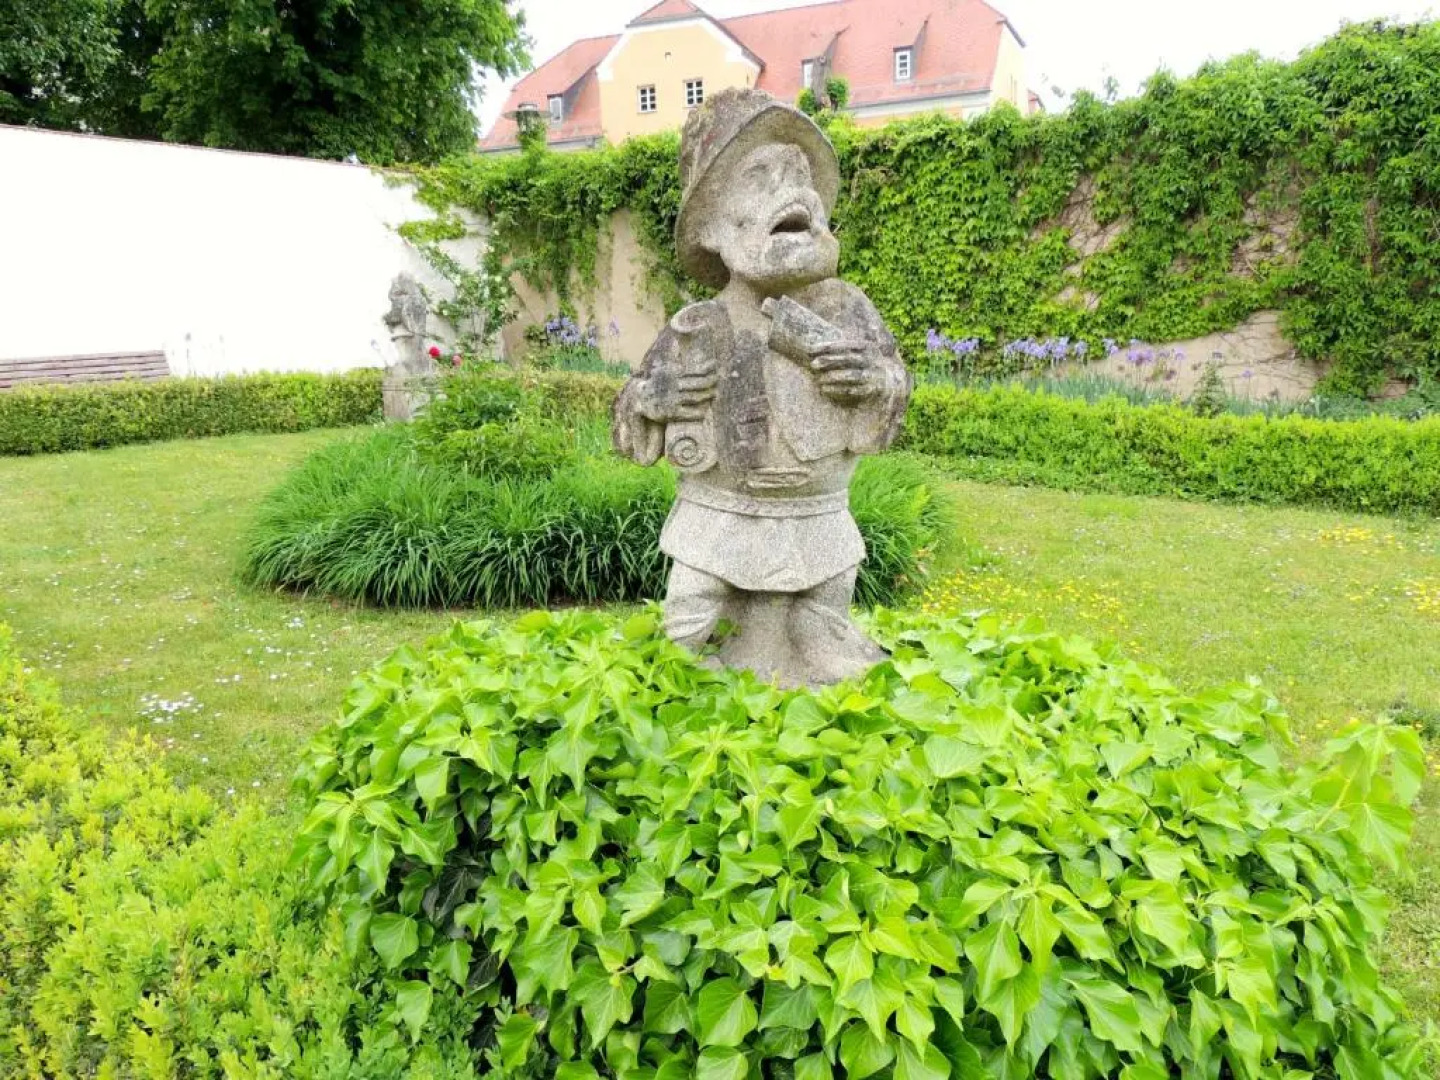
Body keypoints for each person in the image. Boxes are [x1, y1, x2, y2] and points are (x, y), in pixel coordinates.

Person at [613, 88, 911, 686]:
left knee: (826, 642)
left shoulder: (846, 311)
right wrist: (650, 401)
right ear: (713, 231)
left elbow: (896, 385)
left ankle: (807, 705)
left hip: (818, 520)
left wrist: (877, 381)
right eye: (761, 177)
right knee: (687, 631)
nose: (792, 190)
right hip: (716, 522)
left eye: (801, 175)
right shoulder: (695, 327)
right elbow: (629, 413)